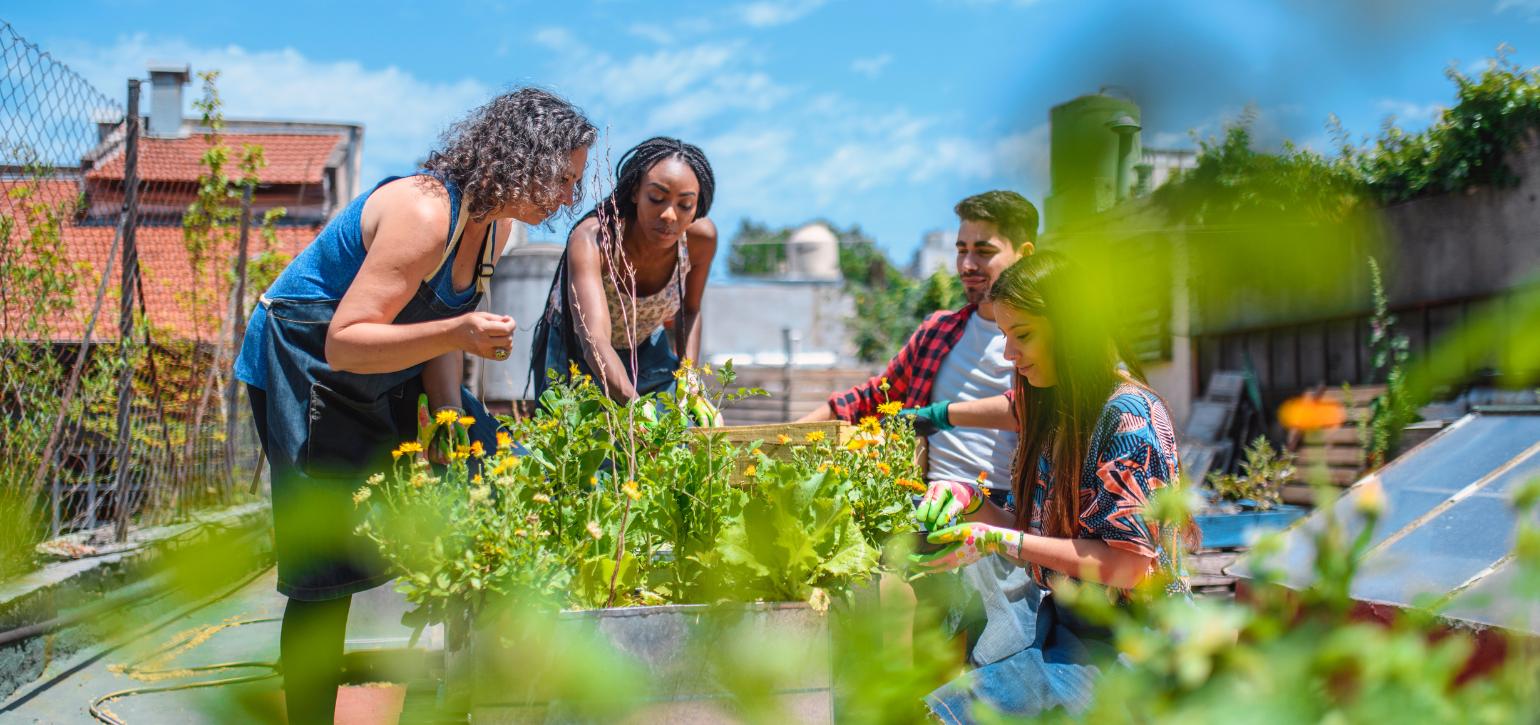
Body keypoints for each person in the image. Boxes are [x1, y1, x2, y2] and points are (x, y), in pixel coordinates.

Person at [232, 88, 596, 724]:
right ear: (525, 158)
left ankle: (469, 695)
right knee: (327, 569)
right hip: (307, 366)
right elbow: (345, 343)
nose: (569, 197)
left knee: (482, 473)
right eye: (563, 178)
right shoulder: (425, 213)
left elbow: (441, 327)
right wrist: (460, 336)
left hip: (382, 370)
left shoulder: (495, 231)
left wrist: (449, 422)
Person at [910, 251, 1190, 722]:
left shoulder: (1127, 416)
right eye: (1004, 336)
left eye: (1023, 336)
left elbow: (1128, 566)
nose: (1008, 355)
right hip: (1069, 631)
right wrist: (970, 500)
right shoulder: (1055, 413)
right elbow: (1031, 534)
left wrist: (999, 538)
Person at [531, 137, 717, 402]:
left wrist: (689, 378)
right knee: (573, 439)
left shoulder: (701, 240)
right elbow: (595, 339)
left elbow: (690, 309)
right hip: (576, 348)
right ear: (634, 192)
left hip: (645, 344)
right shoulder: (595, 239)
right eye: (656, 198)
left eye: (685, 205)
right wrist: (636, 410)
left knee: (679, 430)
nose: (669, 215)